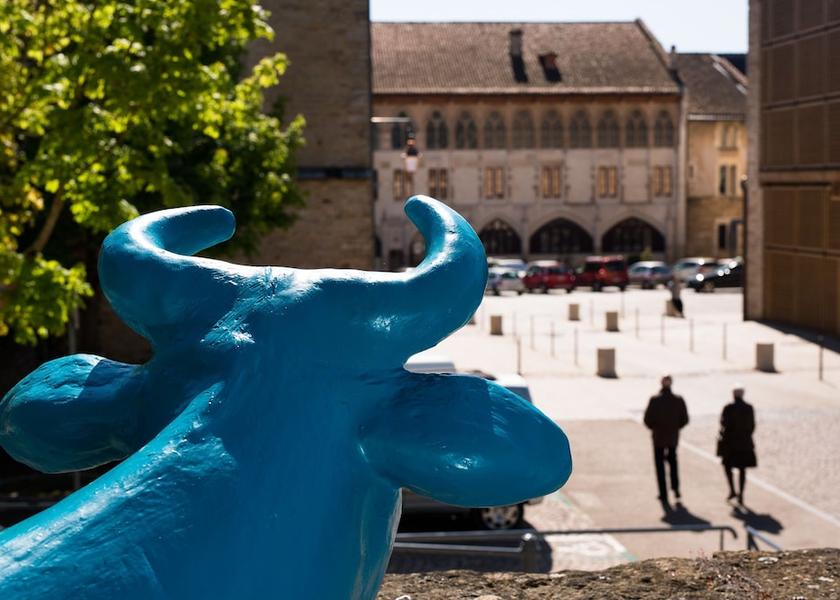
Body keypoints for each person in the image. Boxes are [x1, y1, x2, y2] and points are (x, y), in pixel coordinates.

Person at [644, 375, 689, 507]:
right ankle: (675, 488)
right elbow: (685, 419)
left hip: (658, 438)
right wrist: (675, 428)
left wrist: (655, 428)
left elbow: (647, 419)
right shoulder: (678, 400)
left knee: (660, 466)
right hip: (672, 437)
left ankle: (663, 493)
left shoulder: (655, 400)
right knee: (673, 463)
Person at [718, 385, 757, 505]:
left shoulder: (728, 408)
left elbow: (723, 423)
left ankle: (732, 490)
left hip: (730, 443)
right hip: (744, 443)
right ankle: (741, 494)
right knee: (742, 469)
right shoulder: (749, 408)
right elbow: (752, 426)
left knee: (727, 467)